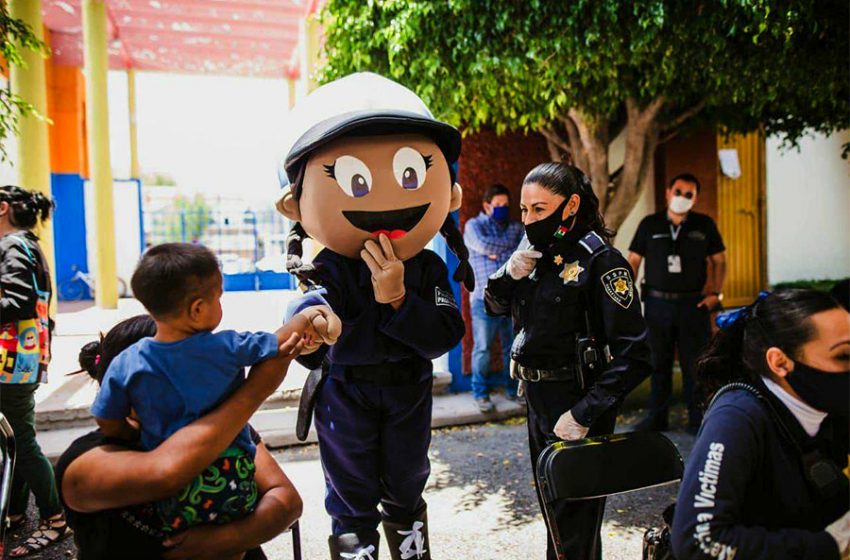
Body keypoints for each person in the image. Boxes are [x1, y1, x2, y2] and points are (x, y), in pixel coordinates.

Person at [276, 72, 470, 560]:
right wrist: (317, 324)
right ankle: (356, 548)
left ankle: (411, 548)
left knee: (407, 483)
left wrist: (400, 299)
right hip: (345, 391)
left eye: (411, 174)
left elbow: (446, 332)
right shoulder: (327, 266)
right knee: (350, 490)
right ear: (294, 205)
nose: (386, 197)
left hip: (408, 388)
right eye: (355, 180)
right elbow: (311, 303)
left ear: (451, 194)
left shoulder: (426, 266)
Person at [90, 243, 338, 537]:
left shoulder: (125, 363)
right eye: (219, 297)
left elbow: (106, 418)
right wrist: (308, 316)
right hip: (232, 479)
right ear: (197, 309)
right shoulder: (228, 347)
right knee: (233, 537)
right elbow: (282, 341)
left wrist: (132, 435)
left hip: (172, 495)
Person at [485, 163, 651, 559]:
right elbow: (493, 305)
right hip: (538, 397)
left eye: (539, 210)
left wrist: (583, 413)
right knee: (557, 520)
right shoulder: (536, 255)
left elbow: (636, 354)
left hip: (578, 398)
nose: (528, 220)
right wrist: (508, 274)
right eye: (524, 210)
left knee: (576, 524)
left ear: (571, 204)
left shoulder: (602, 261)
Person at [59, 314, 304, 559]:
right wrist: (255, 391)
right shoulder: (83, 462)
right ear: (128, 383)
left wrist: (224, 540)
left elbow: (287, 500)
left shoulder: (221, 423)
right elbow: (167, 475)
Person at [671, 289, 849, 559]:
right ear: (779, 362)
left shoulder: (828, 406)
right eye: (843, 356)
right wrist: (827, 546)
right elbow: (698, 541)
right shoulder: (736, 418)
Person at [628, 173, 726, 434]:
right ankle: (657, 418)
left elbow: (720, 260)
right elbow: (634, 261)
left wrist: (716, 293)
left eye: (689, 194)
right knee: (658, 364)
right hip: (657, 305)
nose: (682, 198)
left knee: (694, 365)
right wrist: (626, 298)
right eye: (678, 192)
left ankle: (697, 419)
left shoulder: (704, 225)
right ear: (668, 193)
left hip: (693, 306)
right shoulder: (650, 224)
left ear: (696, 198)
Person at [0, 185, 68, 557]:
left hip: (9, 361)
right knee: (13, 436)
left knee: (20, 440)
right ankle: (12, 511)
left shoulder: (11, 246)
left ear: (3, 208)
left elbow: (18, 301)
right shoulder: (29, 245)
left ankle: (54, 518)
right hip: (24, 358)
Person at [463, 183, 524, 411]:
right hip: (483, 299)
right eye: (498, 205)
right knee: (483, 348)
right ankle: (481, 394)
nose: (502, 209)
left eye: (506, 205)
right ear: (487, 205)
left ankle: (512, 390)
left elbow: (522, 250)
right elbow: (482, 243)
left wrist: (496, 252)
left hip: (512, 299)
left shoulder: (516, 227)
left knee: (512, 348)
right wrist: (506, 251)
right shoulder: (473, 226)